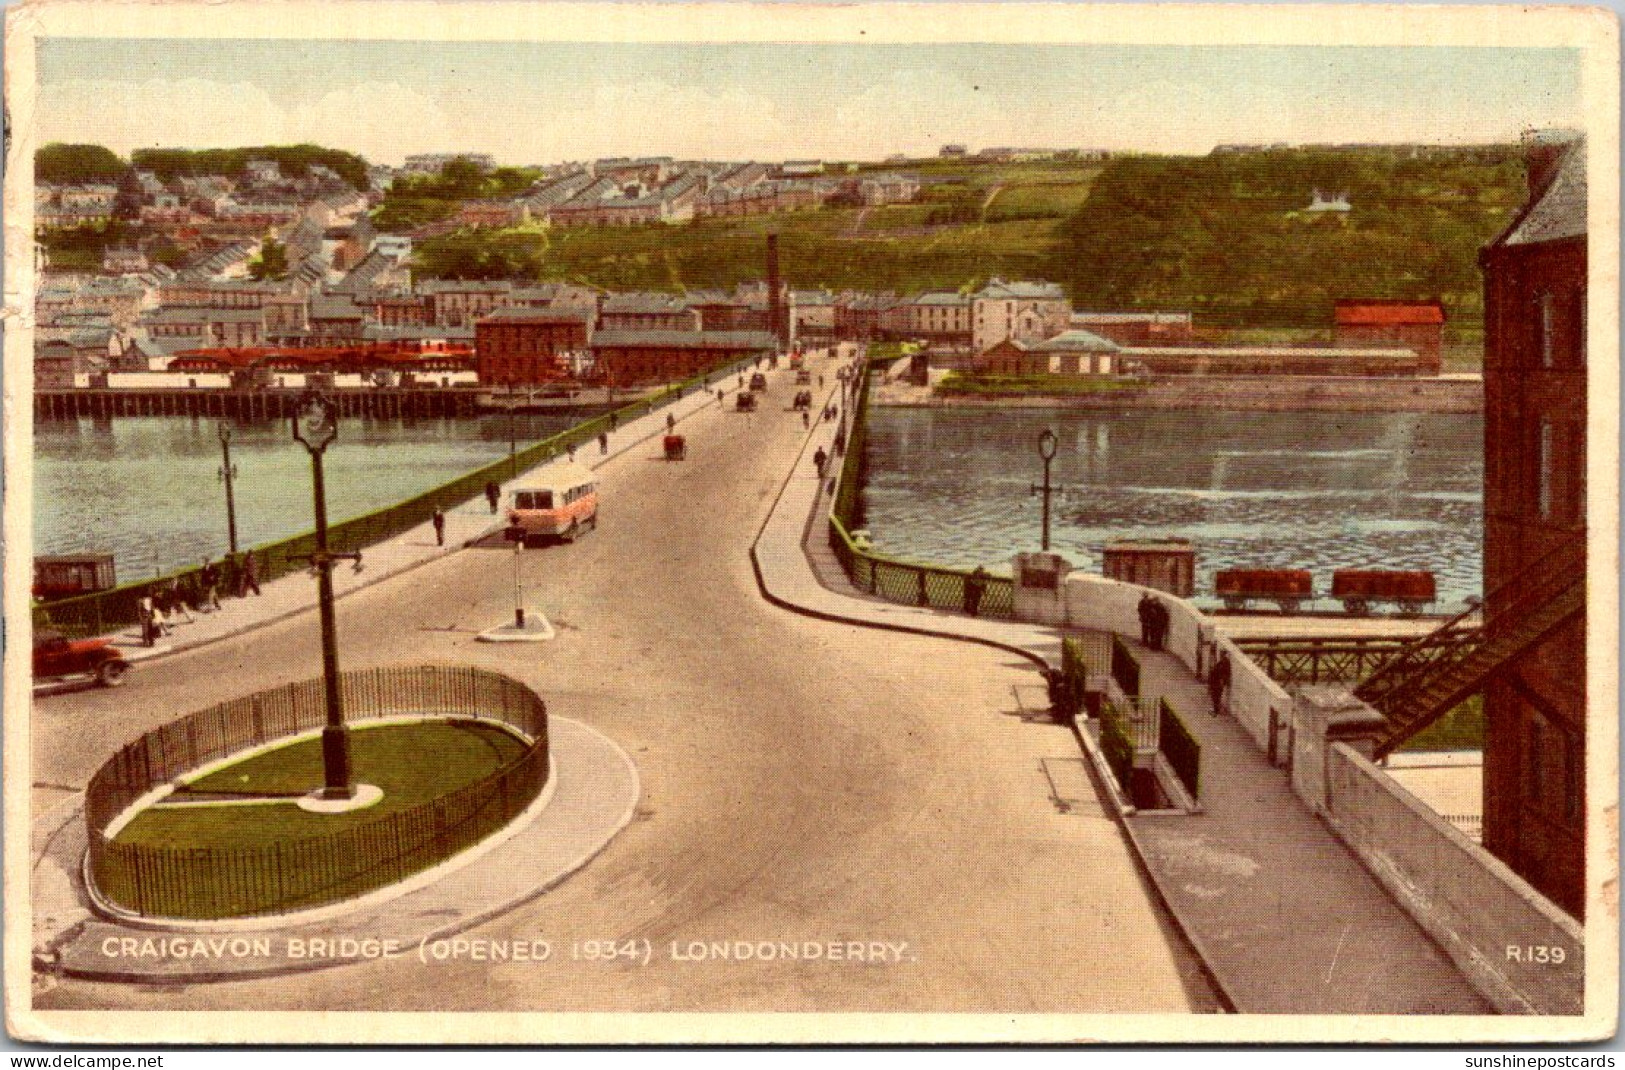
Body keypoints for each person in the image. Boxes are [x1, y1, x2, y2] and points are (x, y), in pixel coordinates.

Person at [1208, 651, 1233, 717]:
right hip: (1216, 681)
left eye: (1221, 654)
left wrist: (1222, 681)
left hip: (1218, 682)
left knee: (1216, 696)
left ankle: (1216, 710)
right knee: (1215, 696)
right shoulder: (1222, 662)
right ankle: (1216, 709)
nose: (1220, 655)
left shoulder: (1224, 662)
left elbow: (1224, 673)